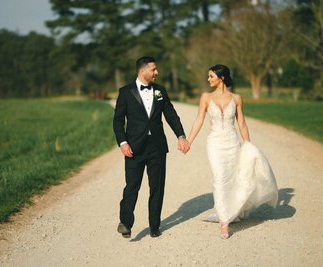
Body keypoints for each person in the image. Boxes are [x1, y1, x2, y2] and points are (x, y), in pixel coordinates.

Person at [186, 64, 278, 239]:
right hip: (214, 143)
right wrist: (189, 141)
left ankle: (232, 209)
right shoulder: (206, 97)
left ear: (221, 78)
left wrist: (248, 145)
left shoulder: (236, 99)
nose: (208, 79)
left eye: (211, 76)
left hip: (232, 142)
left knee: (233, 178)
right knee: (220, 178)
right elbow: (199, 120)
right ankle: (224, 221)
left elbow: (241, 123)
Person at [113, 56, 190, 238]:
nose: (157, 72)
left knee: (157, 187)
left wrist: (181, 136)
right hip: (133, 147)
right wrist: (123, 143)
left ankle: (154, 226)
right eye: (153, 70)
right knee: (132, 186)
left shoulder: (160, 91)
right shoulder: (125, 92)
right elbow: (118, 121)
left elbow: (171, 115)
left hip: (157, 147)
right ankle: (125, 222)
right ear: (142, 71)